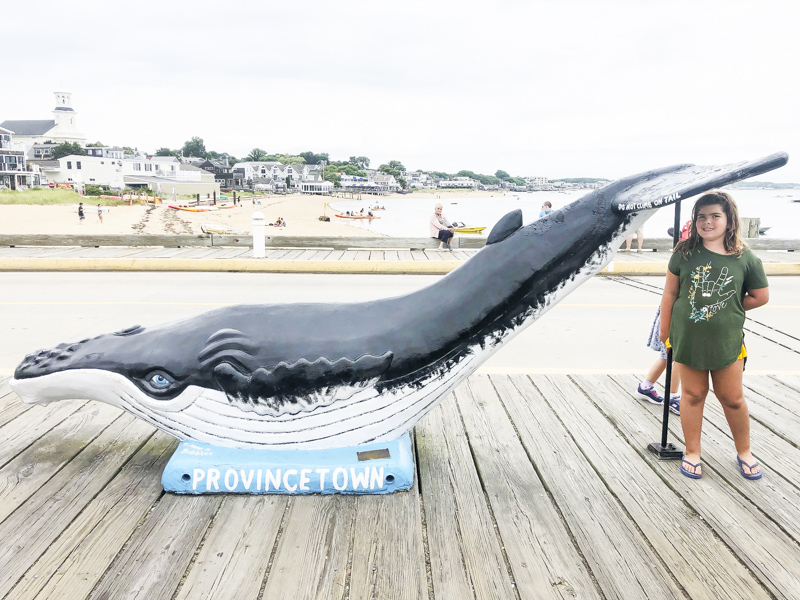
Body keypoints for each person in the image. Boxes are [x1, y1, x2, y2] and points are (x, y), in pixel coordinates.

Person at [659, 191, 769, 480]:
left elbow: (760, 296)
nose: (707, 222)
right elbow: (671, 293)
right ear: (694, 220)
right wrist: (665, 330)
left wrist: (729, 305)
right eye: (701, 216)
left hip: (727, 340)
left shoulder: (745, 257)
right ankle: (692, 451)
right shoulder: (683, 252)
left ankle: (744, 451)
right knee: (693, 395)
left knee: (732, 397)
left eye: (715, 216)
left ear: (729, 219)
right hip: (688, 338)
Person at [636, 307, 680, 414]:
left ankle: (645, 387)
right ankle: (672, 396)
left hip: (670, 319)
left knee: (667, 358)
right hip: (674, 321)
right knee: (678, 359)